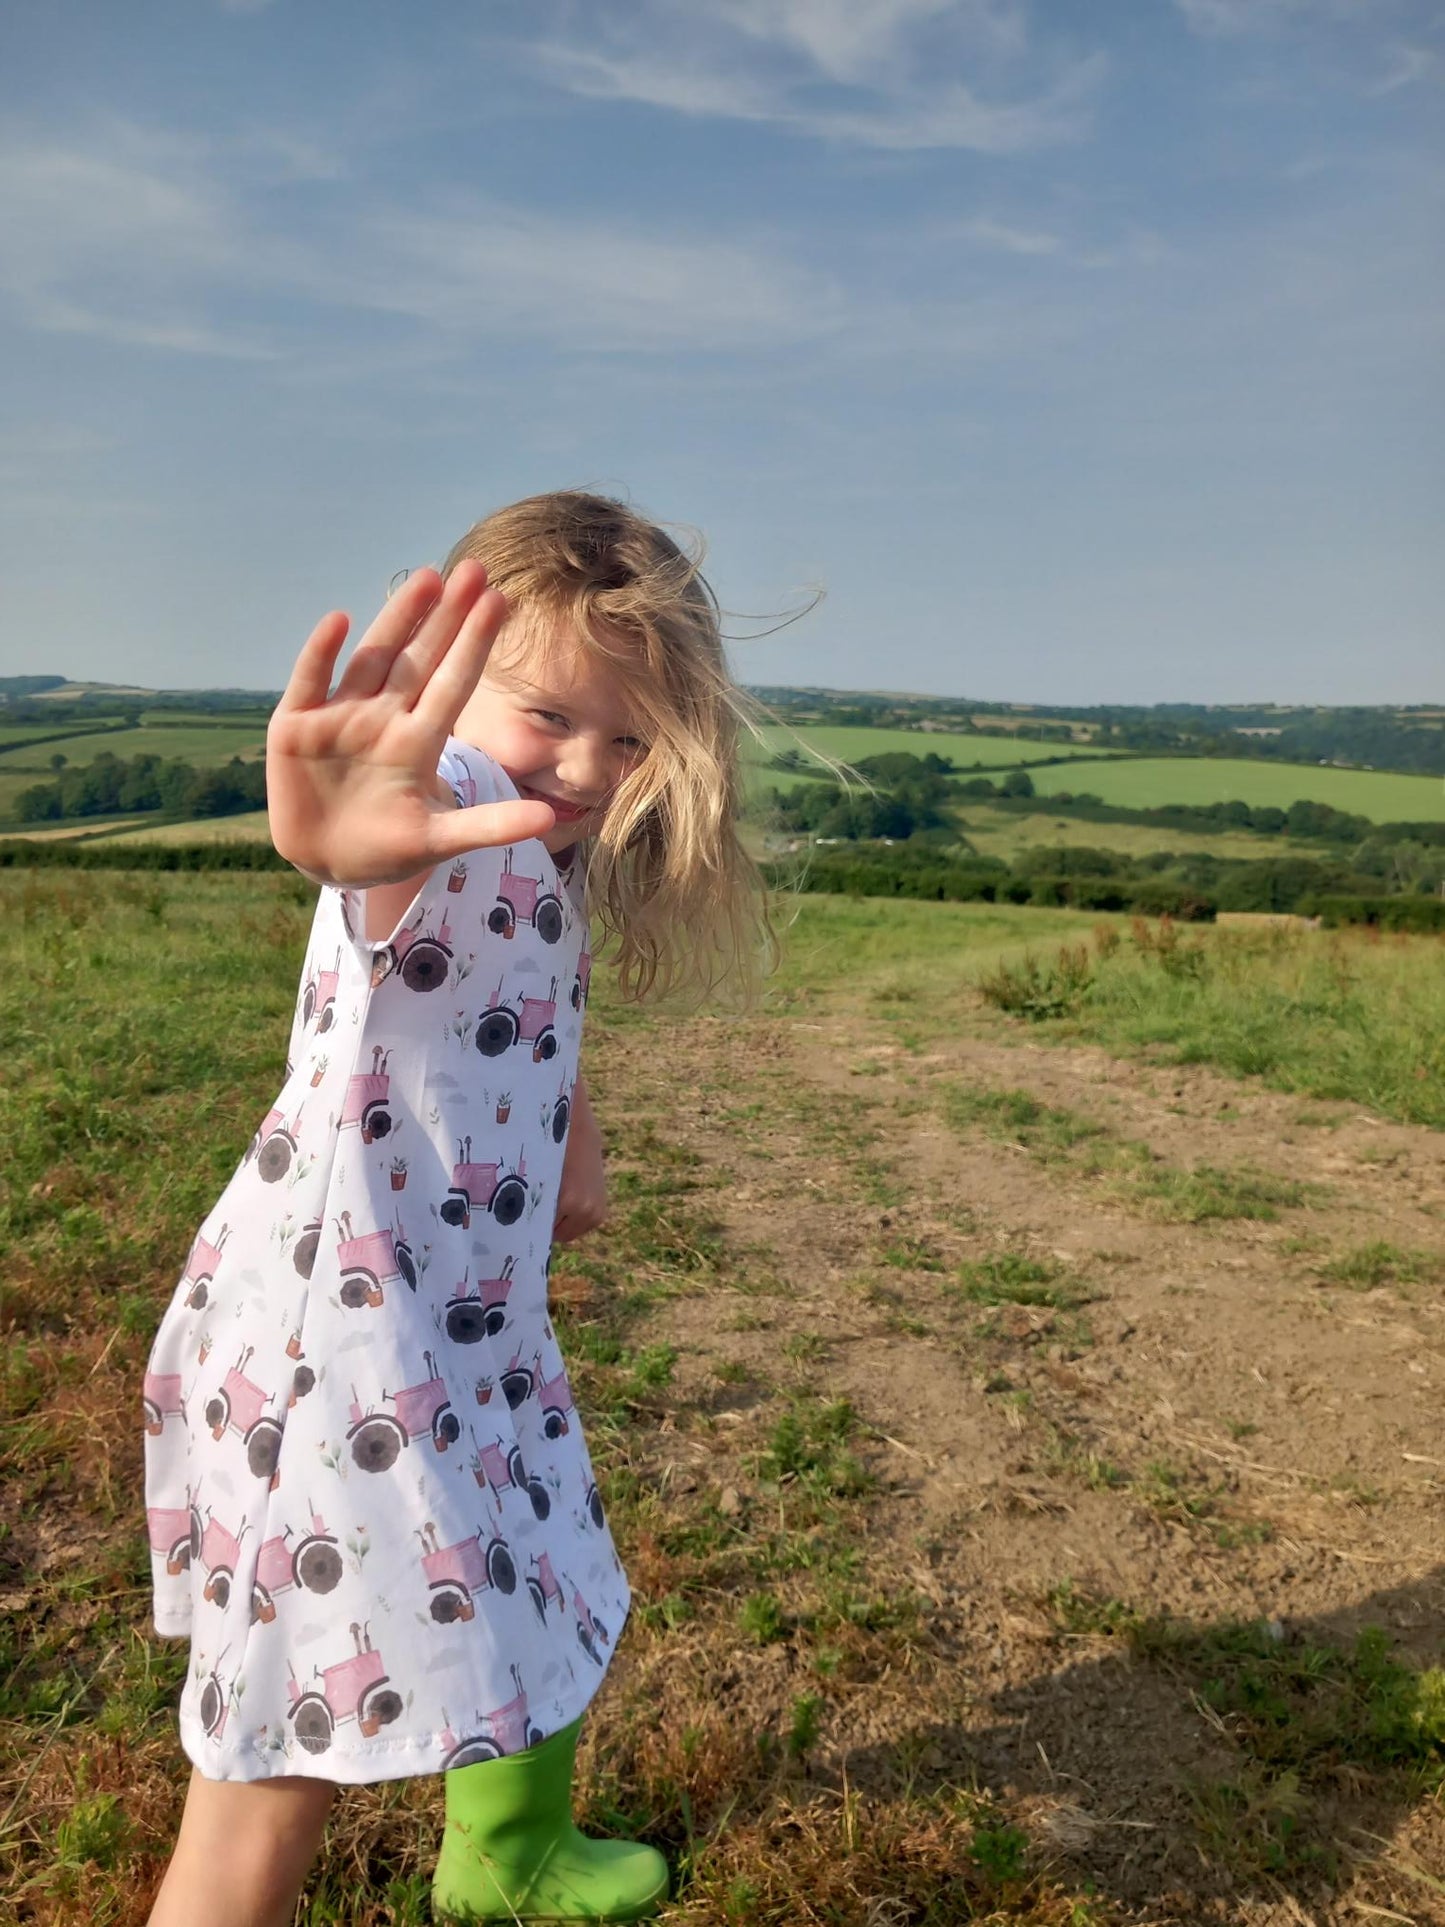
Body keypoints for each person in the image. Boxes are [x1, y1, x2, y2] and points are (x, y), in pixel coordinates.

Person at [141, 492, 769, 1926]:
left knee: (533, 1548)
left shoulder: (538, 858)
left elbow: (522, 1014)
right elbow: (373, 884)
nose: (589, 767)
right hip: (343, 1361)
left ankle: (506, 1854)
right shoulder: (433, 837)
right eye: (551, 716)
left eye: (630, 740)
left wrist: (575, 1148)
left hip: (449, 1318)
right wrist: (351, 841)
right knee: (268, 1763)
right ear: (449, 687)